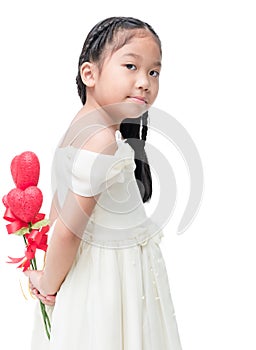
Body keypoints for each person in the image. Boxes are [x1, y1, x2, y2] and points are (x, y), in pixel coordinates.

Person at [25, 16, 183, 349]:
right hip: (110, 279)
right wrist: (49, 282)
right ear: (90, 74)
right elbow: (68, 229)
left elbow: (59, 203)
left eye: (154, 72)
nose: (144, 82)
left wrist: (46, 257)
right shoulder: (101, 139)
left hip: (95, 271)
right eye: (131, 66)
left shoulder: (80, 127)